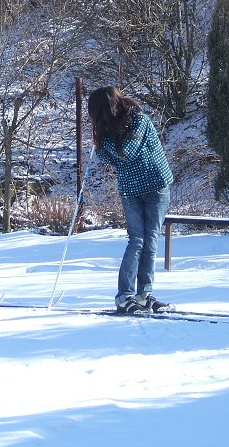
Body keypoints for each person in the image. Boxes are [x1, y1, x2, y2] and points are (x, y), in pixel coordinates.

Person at [88, 86, 174, 314]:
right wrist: (100, 146)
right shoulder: (106, 130)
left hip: (156, 185)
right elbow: (108, 158)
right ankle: (125, 296)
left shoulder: (139, 121)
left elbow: (127, 152)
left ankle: (144, 294)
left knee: (150, 242)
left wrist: (101, 147)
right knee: (137, 241)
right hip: (130, 189)